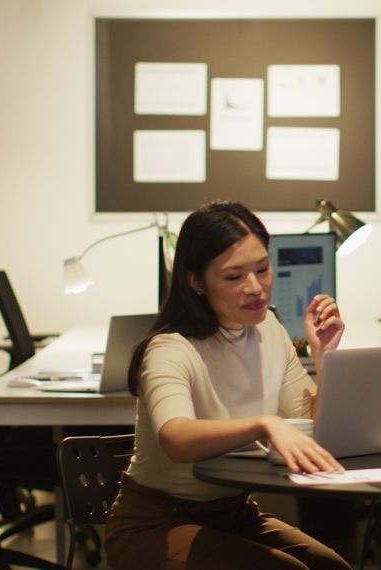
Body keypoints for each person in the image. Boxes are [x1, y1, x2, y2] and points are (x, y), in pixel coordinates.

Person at [104, 201, 351, 570]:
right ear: (196, 281)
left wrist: (324, 358)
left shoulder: (269, 328)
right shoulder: (171, 348)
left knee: (332, 567)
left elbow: (310, 426)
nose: (256, 288)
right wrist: (264, 424)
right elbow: (177, 438)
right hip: (154, 523)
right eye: (234, 277)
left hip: (233, 514)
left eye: (263, 269)